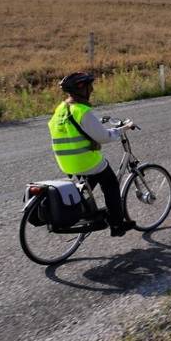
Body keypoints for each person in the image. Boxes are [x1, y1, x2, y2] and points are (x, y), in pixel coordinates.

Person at [48, 72, 136, 237]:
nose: (93, 89)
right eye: (90, 86)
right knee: (110, 183)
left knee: (91, 180)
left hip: (65, 161)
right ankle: (117, 225)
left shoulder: (61, 109)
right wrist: (123, 129)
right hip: (85, 161)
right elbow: (104, 137)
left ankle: (87, 211)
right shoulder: (82, 111)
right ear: (82, 90)